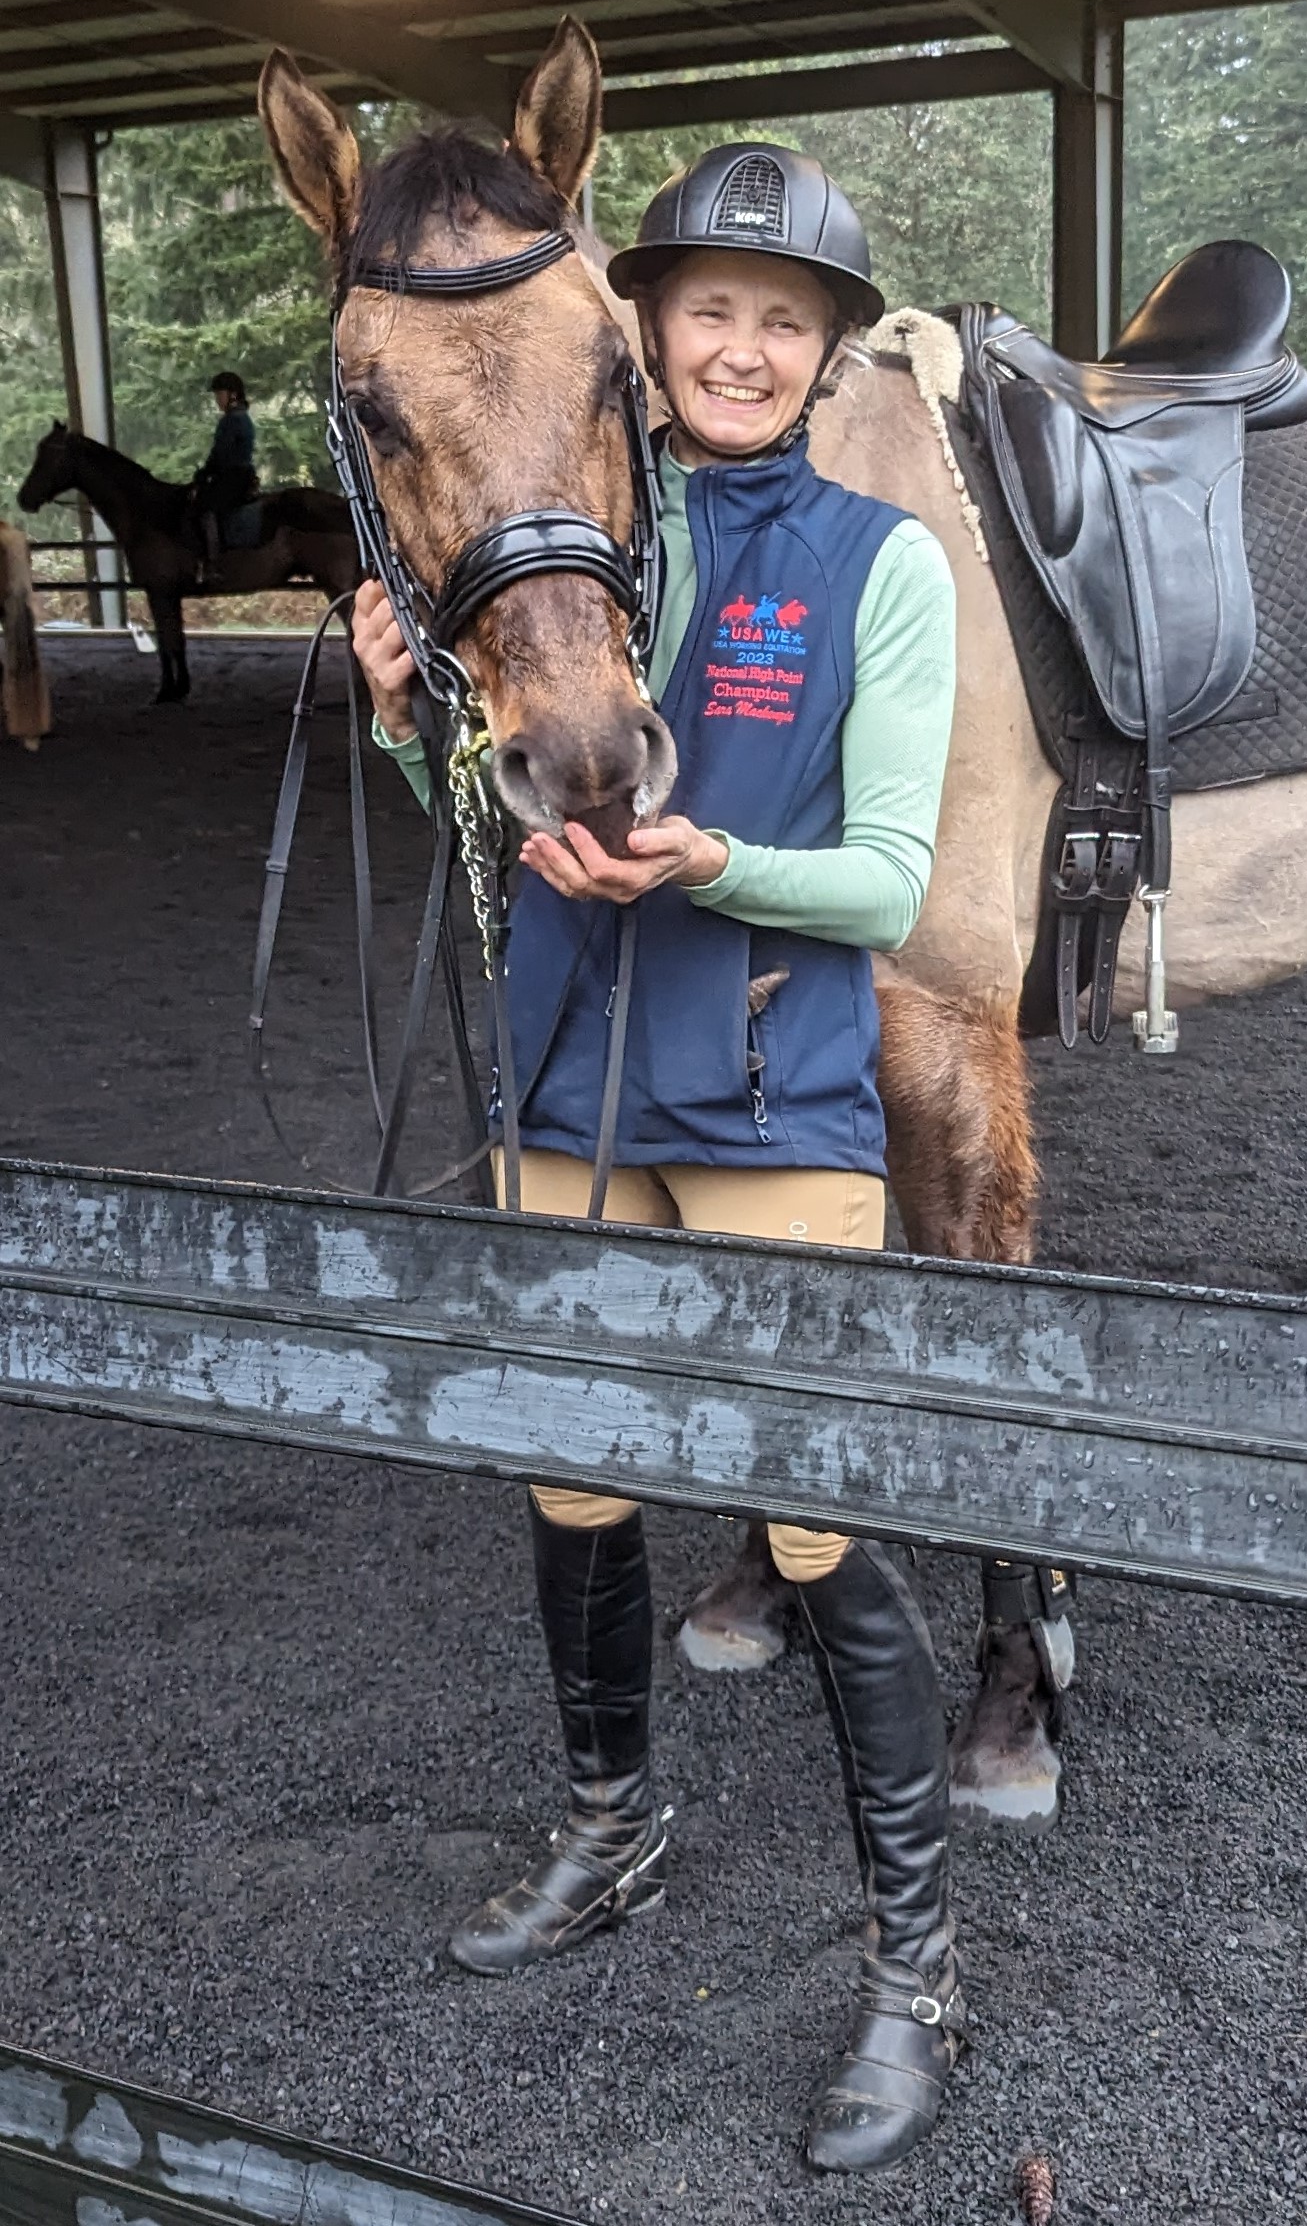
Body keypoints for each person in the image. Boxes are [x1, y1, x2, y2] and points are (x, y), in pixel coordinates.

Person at [349, 143, 962, 2174]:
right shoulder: (579, 525)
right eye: (710, 310)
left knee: (816, 1519)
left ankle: (911, 1963)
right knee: (572, 1474)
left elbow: (886, 885)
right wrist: (397, 708)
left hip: (778, 1095)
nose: (745, 348)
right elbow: (497, 759)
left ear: (824, 352)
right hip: (567, 1077)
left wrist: (720, 857)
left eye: (788, 323)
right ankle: (613, 1831)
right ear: (646, 326)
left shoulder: (882, 563)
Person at [192, 370, 257, 576]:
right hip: (243, 475)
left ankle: (213, 562)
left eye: (219, 395)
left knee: (204, 507)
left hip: (233, 477)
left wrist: (204, 473)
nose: (217, 400)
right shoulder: (242, 417)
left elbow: (221, 453)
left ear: (233, 395)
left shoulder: (230, 421)